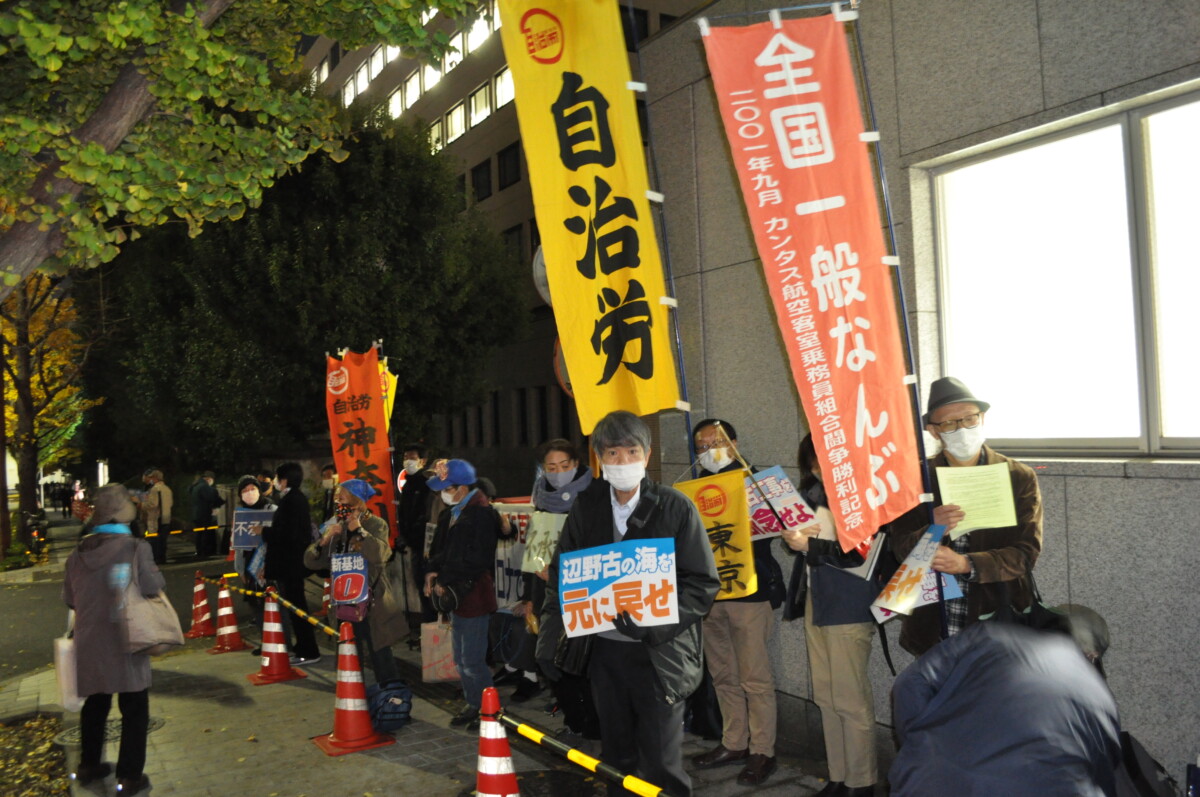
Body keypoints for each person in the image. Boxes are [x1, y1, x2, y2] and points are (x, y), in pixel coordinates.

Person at [538, 410, 720, 797]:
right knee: (616, 757)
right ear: (599, 459)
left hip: (659, 653)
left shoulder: (675, 507)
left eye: (632, 451)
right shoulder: (587, 507)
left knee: (661, 762)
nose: (622, 461)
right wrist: (550, 635)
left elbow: (702, 583)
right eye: (612, 453)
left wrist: (657, 624)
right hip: (604, 652)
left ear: (647, 455)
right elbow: (562, 574)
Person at [890, 376, 1044, 656]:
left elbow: (1025, 554)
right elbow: (900, 548)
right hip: (934, 619)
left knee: (993, 683)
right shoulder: (916, 479)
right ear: (934, 431)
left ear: (982, 418)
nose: (961, 429)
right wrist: (932, 528)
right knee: (938, 683)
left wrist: (966, 564)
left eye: (970, 419)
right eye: (949, 423)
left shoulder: (1017, 476)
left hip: (997, 616)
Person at [890, 610, 1120, 796]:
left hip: (928, 778)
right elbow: (1101, 776)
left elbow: (910, 685)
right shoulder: (1098, 696)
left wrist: (919, 745)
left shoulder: (987, 635)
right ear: (1092, 655)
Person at [780, 433, 881, 797]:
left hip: (849, 604)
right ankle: (839, 776)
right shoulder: (812, 495)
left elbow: (860, 553)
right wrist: (793, 537)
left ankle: (861, 782)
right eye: (814, 465)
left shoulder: (865, 494)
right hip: (816, 599)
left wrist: (810, 544)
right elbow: (802, 545)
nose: (820, 472)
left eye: (825, 463)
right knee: (825, 696)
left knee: (850, 699)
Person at [688, 419, 785, 786]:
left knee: (754, 677)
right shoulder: (693, 489)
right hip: (710, 595)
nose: (709, 451)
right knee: (723, 674)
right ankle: (734, 742)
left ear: (734, 444)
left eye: (717, 443)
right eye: (701, 446)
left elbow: (778, 528)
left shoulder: (756, 482)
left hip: (749, 591)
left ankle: (763, 750)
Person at [64, 485, 164, 795]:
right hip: (127, 636)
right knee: (134, 707)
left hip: (90, 639)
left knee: (95, 703)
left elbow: (69, 598)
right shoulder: (135, 548)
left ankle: (88, 765)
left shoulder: (78, 552)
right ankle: (129, 777)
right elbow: (153, 586)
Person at [513, 439, 595, 723]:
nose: (558, 472)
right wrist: (529, 596)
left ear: (576, 464)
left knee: (578, 659)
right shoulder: (541, 502)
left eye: (564, 465)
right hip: (546, 593)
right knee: (547, 656)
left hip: (582, 592)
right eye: (551, 467)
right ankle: (572, 712)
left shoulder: (592, 498)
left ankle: (585, 720)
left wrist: (561, 572)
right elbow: (532, 551)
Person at [305, 479, 406, 684]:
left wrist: (359, 531)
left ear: (356, 500)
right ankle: (352, 691)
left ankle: (390, 692)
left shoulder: (376, 524)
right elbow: (310, 562)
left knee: (380, 650)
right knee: (349, 648)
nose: (337, 502)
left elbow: (380, 555)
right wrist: (324, 541)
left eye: (341, 498)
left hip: (371, 600)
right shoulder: (336, 525)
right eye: (337, 498)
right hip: (344, 600)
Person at [424, 458, 499, 731]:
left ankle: (490, 711)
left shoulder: (482, 514)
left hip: (474, 593)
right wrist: (432, 572)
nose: (442, 495)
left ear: (462, 488)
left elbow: (478, 559)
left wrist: (444, 577)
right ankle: (473, 703)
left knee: (473, 661)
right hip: (456, 594)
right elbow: (440, 551)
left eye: (446, 489)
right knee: (460, 658)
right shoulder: (452, 513)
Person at [262, 462, 321, 666]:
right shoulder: (294, 499)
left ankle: (308, 650)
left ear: (284, 480)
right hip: (291, 563)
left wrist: (264, 531)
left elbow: (287, 534)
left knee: (297, 608)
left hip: (291, 564)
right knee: (295, 606)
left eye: (277, 477)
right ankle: (303, 647)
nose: (275, 481)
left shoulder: (292, 500)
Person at [398, 443, 434, 634]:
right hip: (413, 544)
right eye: (406, 457)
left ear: (423, 461)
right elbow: (405, 514)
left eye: (412, 458)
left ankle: (432, 628)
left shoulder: (427, 485)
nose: (408, 461)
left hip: (425, 546)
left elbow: (424, 516)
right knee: (420, 586)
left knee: (427, 589)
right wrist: (403, 535)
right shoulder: (408, 485)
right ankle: (426, 629)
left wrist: (411, 534)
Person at [139, 468, 173, 565]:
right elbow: (171, 503)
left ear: (155, 478)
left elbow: (153, 504)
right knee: (163, 540)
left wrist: (141, 505)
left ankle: (156, 559)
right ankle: (162, 558)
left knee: (154, 540)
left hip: (156, 518)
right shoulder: (167, 489)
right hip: (166, 518)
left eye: (151, 478)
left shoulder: (154, 489)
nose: (150, 480)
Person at [189, 470, 225, 559]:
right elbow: (212, 498)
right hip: (204, 514)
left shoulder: (195, 486)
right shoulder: (204, 487)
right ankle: (205, 552)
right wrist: (221, 501)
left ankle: (199, 551)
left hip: (196, 514)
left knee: (199, 533)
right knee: (205, 533)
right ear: (209, 479)